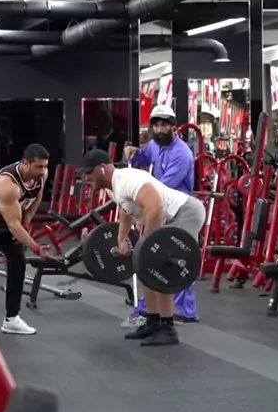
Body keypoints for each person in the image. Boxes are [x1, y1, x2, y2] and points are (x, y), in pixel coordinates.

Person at [81, 149, 205, 346]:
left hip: (184, 212)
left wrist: (147, 243)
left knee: (160, 265)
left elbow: (156, 207)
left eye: (89, 173)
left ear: (102, 168)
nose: (86, 179)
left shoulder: (126, 180)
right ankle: (153, 322)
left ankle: (168, 329)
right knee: (144, 266)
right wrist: (121, 238)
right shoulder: (114, 187)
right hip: (168, 217)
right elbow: (126, 210)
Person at [122, 105, 199, 328]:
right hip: (163, 208)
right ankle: (161, 308)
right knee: (160, 257)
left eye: (164, 125)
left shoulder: (182, 154)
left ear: (173, 126)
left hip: (181, 210)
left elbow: (162, 189)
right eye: (155, 125)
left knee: (179, 257)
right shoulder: (155, 145)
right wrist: (133, 152)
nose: (159, 129)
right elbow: (142, 158)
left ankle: (180, 310)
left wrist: (140, 200)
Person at [0, 143, 55, 335]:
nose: (42, 171)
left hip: (9, 218)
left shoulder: (41, 175)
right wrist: (37, 248)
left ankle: (12, 319)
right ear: (25, 163)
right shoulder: (7, 185)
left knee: (18, 263)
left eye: (45, 166)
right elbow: (13, 226)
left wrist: (27, 224)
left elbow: (35, 199)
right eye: (38, 167)